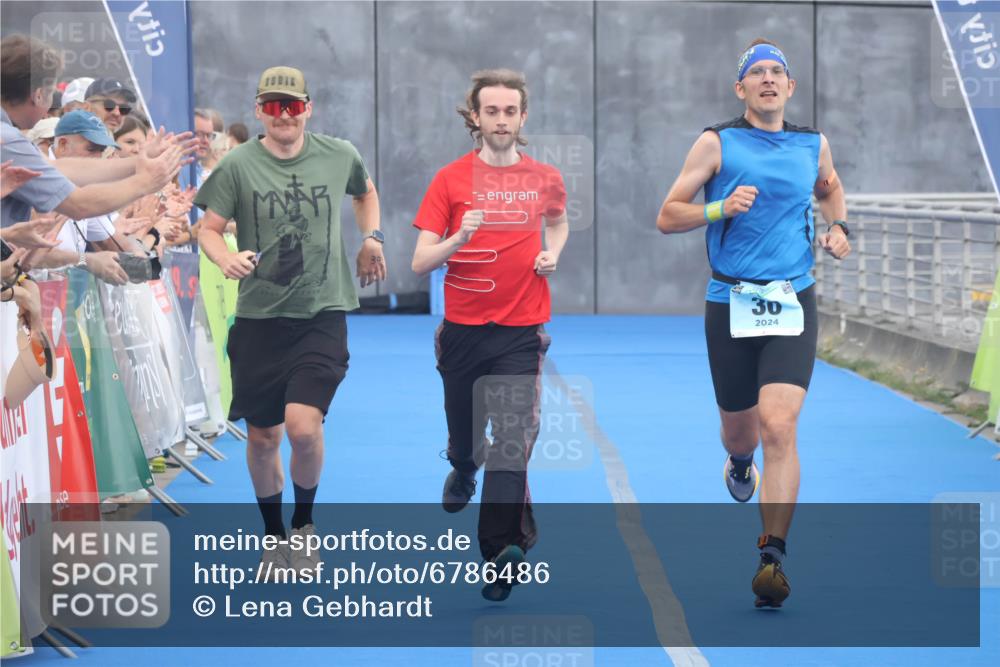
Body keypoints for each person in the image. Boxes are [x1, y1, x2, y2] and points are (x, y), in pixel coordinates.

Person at [655, 39, 851, 609]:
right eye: (756, 73)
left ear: (790, 87)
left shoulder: (812, 144)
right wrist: (718, 208)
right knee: (742, 433)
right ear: (740, 89)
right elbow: (668, 215)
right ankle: (739, 462)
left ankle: (773, 556)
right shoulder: (717, 142)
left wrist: (842, 230)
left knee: (780, 426)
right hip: (731, 300)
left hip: (793, 298)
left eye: (777, 73)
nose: (768, 80)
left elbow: (831, 188)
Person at [196, 66, 385, 580]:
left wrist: (373, 238)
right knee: (262, 438)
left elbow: (364, 192)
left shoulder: (339, 153)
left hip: (321, 312)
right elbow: (207, 229)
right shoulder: (237, 165)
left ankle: (303, 526)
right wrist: (223, 258)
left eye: (293, 106)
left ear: (309, 108)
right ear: (259, 109)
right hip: (260, 317)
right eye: (273, 106)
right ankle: (272, 536)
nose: (284, 115)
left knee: (303, 427)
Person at [411, 68, 568, 602]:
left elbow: (560, 220)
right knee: (469, 436)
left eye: (510, 111)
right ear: (474, 117)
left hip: (521, 332)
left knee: (513, 441)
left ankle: (499, 553)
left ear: (523, 118)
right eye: (491, 111)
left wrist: (553, 252)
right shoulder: (450, 180)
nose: (501, 120)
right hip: (462, 332)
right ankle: (460, 465)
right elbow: (419, 261)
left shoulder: (545, 177)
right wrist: (461, 235)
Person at [1, 35, 191, 235]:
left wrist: (139, 162)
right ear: (38, 95)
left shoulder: (10, 138)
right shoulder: (8, 140)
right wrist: (144, 181)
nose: (117, 113)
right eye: (51, 92)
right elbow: (78, 204)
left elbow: (56, 168)